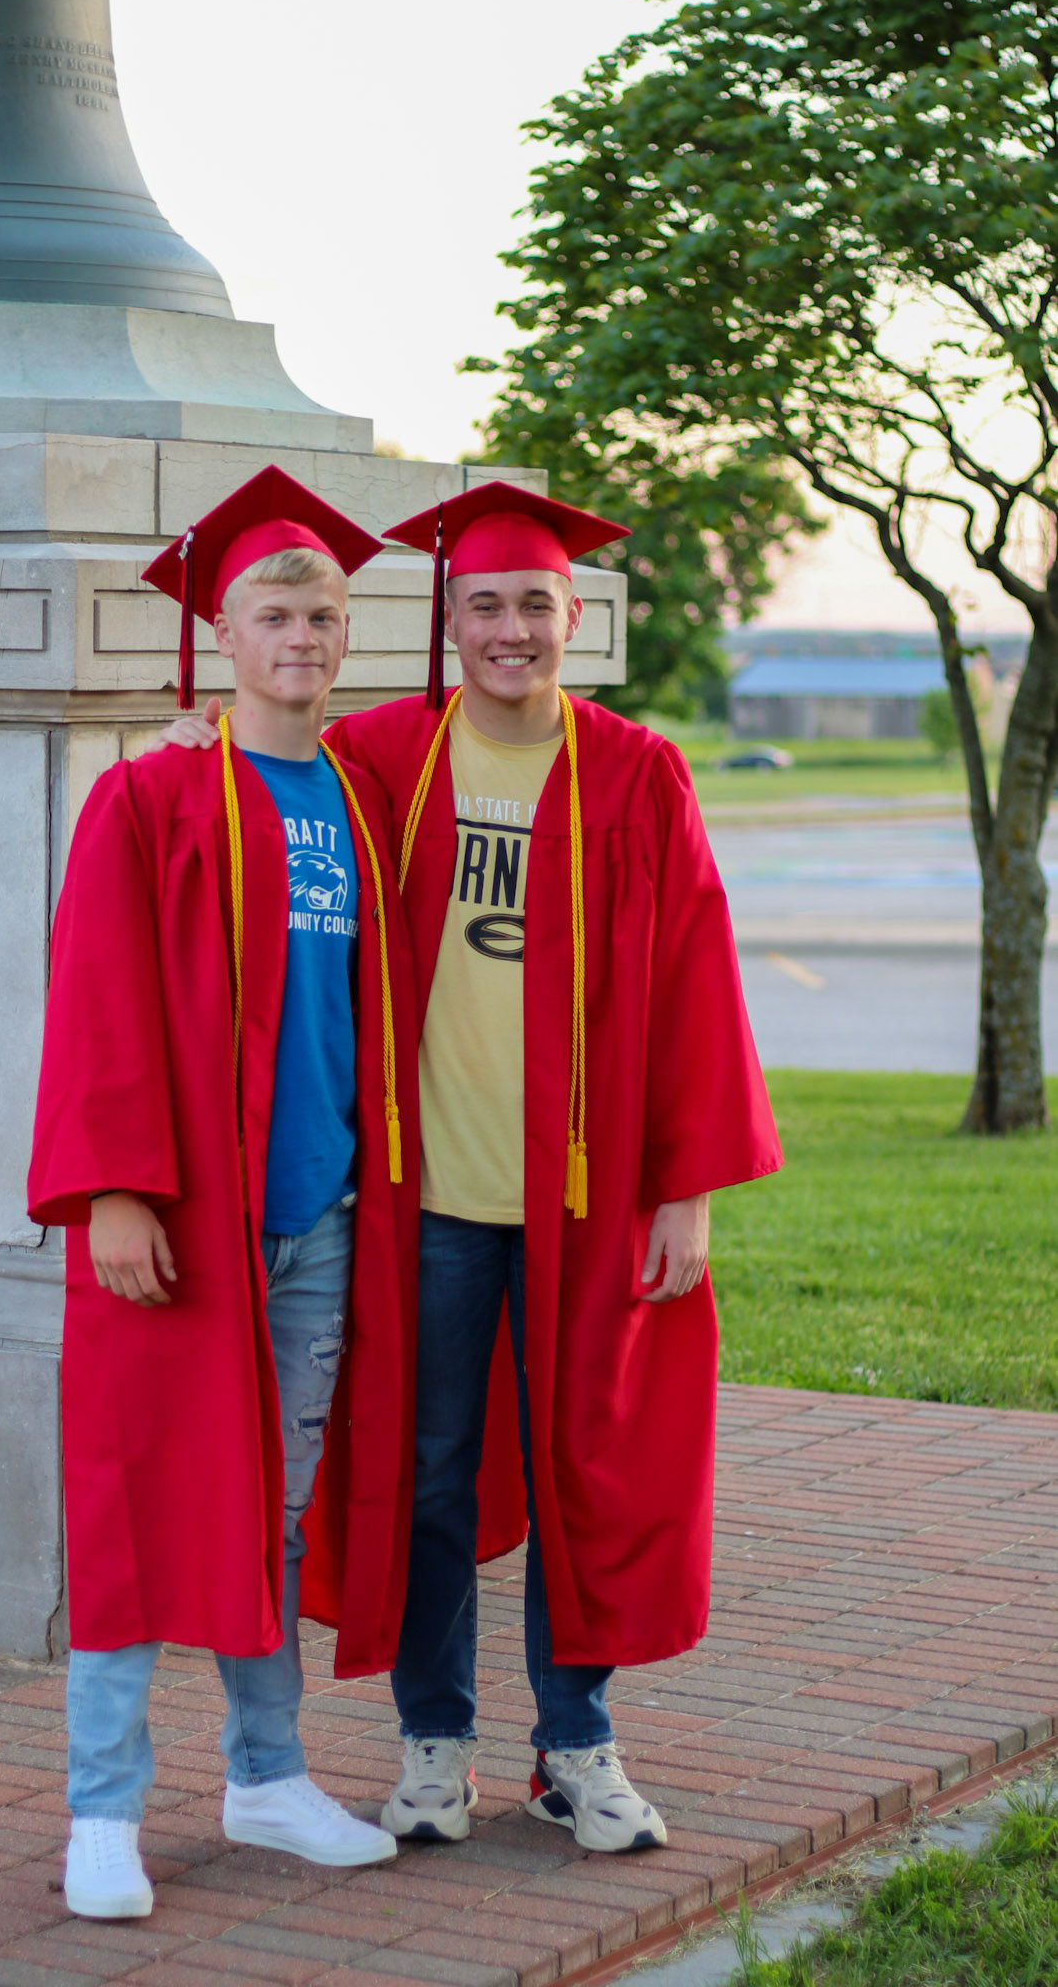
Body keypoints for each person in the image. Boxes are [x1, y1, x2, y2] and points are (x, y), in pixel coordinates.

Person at [157, 479, 782, 1855]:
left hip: (588, 1196)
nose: (510, 628)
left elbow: (692, 985)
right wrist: (185, 756)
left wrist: (683, 1191)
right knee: (427, 1468)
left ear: (575, 615)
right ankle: (433, 1737)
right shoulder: (386, 755)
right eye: (484, 605)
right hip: (425, 1203)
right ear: (448, 620)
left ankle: (575, 1744)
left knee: (584, 1469)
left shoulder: (634, 771)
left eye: (533, 605)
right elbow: (262, 787)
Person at [27, 467, 420, 1921]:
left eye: (322, 612)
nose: (303, 635)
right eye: (275, 611)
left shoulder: (364, 806)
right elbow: (98, 1005)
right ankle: (103, 1810)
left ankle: (265, 1778)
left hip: (317, 1217)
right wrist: (110, 1195)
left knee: (276, 1511)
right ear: (223, 632)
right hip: (177, 1225)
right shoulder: (148, 796)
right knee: (135, 1502)